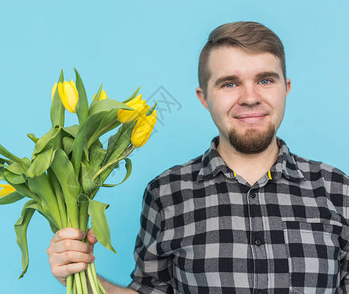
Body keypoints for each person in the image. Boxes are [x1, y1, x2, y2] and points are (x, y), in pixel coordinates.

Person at [47, 21, 349, 293]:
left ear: (286, 88)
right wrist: (82, 276)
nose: (250, 97)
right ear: (203, 97)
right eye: (229, 83)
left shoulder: (338, 189)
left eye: (265, 80)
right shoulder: (166, 193)